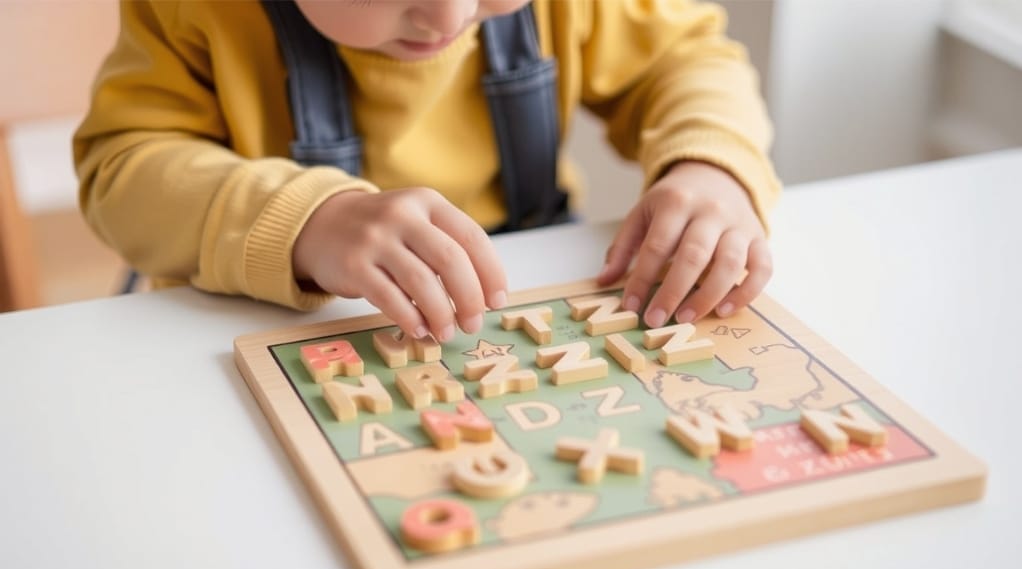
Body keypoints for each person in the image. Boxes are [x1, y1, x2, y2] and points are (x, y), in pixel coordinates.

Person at [74, 0, 780, 344]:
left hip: (501, 320)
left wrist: (710, 164)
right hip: (238, 329)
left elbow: (686, 62)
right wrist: (305, 224)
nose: (450, 12)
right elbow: (122, 167)